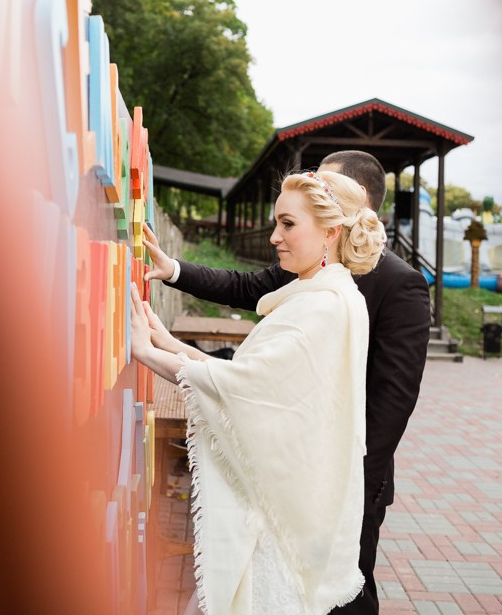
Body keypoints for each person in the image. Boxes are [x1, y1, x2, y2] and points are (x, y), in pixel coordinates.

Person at [143, 150, 432, 615]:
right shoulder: (310, 266)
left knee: (345, 591)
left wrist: (347, 482)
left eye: (324, 186)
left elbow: (393, 398)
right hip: (290, 458)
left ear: (354, 203)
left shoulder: (399, 285)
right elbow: (244, 286)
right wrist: (175, 271)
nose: (315, 190)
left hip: (347, 469)